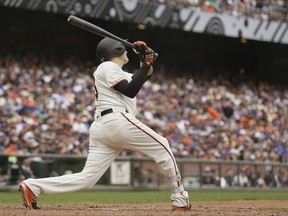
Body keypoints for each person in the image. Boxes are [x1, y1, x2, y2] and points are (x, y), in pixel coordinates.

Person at [19, 38, 191, 211]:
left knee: (87, 179)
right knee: (163, 145)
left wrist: (145, 57)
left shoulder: (118, 72)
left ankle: (33, 186)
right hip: (116, 120)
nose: (126, 51)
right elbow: (130, 91)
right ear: (115, 50)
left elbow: (142, 77)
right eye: (123, 49)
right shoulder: (107, 66)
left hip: (104, 127)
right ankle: (179, 196)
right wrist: (146, 64)